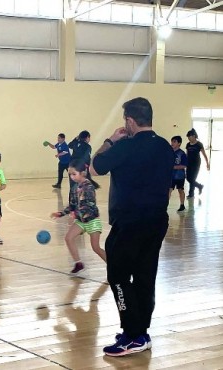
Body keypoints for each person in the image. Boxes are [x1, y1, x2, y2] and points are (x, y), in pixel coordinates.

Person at [90, 97, 174, 357]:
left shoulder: (124, 146)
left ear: (129, 121)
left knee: (117, 277)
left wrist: (111, 140)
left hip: (129, 224)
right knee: (145, 276)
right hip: (157, 221)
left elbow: (94, 167)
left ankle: (130, 334)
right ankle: (141, 333)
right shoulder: (164, 147)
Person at [50, 159, 106, 275]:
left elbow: (89, 206)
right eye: (70, 174)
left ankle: (113, 266)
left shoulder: (88, 187)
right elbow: (73, 204)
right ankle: (78, 263)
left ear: (83, 173)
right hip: (81, 221)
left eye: (74, 174)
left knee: (96, 248)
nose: (71, 177)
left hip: (92, 221)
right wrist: (61, 213)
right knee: (68, 238)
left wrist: (76, 213)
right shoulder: (76, 187)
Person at [185, 128, 210, 199]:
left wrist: (207, 163)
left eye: (189, 137)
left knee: (192, 178)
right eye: (188, 138)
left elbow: (204, 154)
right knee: (188, 178)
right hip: (189, 163)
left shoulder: (199, 144)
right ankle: (199, 186)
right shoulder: (188, 144)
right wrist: (185, 163)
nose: (189, 139)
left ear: (193, 136)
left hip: (196, 164)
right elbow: (187, 154)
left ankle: (191, 194)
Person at [170, 135, 187, 212]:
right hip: (171, 176)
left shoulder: (182, 154)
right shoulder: (169, 152)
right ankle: (165, 205)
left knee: (180, 190)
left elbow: (184, 165)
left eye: (174, 142)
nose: (172, 143)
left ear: (179, 143)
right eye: (172, 141)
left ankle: (182, 205)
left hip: (180, 176)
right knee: (169, 190)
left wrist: (174, 167)